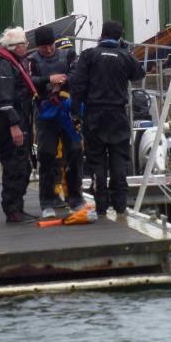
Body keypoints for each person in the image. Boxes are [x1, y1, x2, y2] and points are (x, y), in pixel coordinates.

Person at [70, 20, 145, 216]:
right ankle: (120, 204)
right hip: (117, 114)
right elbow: (139, 73)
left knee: (97, 160)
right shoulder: (124, 56)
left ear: (102, 35)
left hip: (94, 114)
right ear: (120, 37)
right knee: (119, 159)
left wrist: (75, 112)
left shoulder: (89, 55)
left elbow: (78, 85)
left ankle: (101, 204)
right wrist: (126, 51)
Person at [28, 25, 83, 219]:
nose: (49, 50)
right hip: (45, 115)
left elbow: (78, 75)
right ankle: (47, 201)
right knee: (46, 155)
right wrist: (48, 80)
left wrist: (63, 81)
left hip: (67, 113)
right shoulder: (32, 60)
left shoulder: (68, 55)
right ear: (38, 47)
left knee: (75, 152)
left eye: (51, 45)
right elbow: (28, 81)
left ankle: (75, 198)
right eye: (44, 47)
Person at [0, 27, 37, 223]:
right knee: (15, 166)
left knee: (22, 166)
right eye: (24, 43)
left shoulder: (13, 63)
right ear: (16, 47)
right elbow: (4, 99)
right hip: (11, 124)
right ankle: (12, 209)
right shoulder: (4, 66)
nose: (27, 46)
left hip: (21, 119)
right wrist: (14, 125)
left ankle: (17, 206)